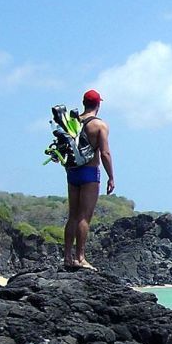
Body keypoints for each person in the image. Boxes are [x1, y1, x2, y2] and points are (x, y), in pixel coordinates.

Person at [64, 89, 114, 270]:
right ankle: (81, 257)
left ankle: (67, 258)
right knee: (85, 216)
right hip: (90, 172)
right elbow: (105, 152)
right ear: (98, 105)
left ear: (84, 103)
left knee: (73, 215)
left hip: (72, 171)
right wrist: (111, 177)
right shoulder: (99, 126)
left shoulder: (72, 122)